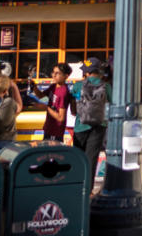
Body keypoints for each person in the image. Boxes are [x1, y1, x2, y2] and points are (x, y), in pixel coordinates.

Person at [73, 57, 109, 191]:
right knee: (91, 159)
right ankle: (87, 191)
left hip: (80, 125)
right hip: (99, 126)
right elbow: (111, 102)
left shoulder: (78, 85)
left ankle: (77, 187)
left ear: (88, 72)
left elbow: (73, 102)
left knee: (78, 158)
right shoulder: (106, 86)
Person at [40, 63, 73, 144]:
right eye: (53, 72)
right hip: (48, 128)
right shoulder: (54, 86)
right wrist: (33, 87)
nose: (54, 75)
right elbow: (42, 96)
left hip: (56, 131)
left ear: (66, 76)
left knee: (52, 155)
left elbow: (61, 118)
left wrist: (46, 108)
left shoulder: (63, 92)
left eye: (57, 73)